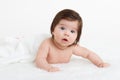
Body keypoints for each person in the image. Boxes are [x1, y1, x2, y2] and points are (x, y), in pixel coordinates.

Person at [35, 9, 110, 72]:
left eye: (72, 31)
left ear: (77, 36)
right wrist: (48, 68)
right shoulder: (47, 44)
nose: (67, 33)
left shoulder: (72, 47)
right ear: (53, 30)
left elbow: (88, 54)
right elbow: (39, 59)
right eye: (62, 28)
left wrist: (99, 63)